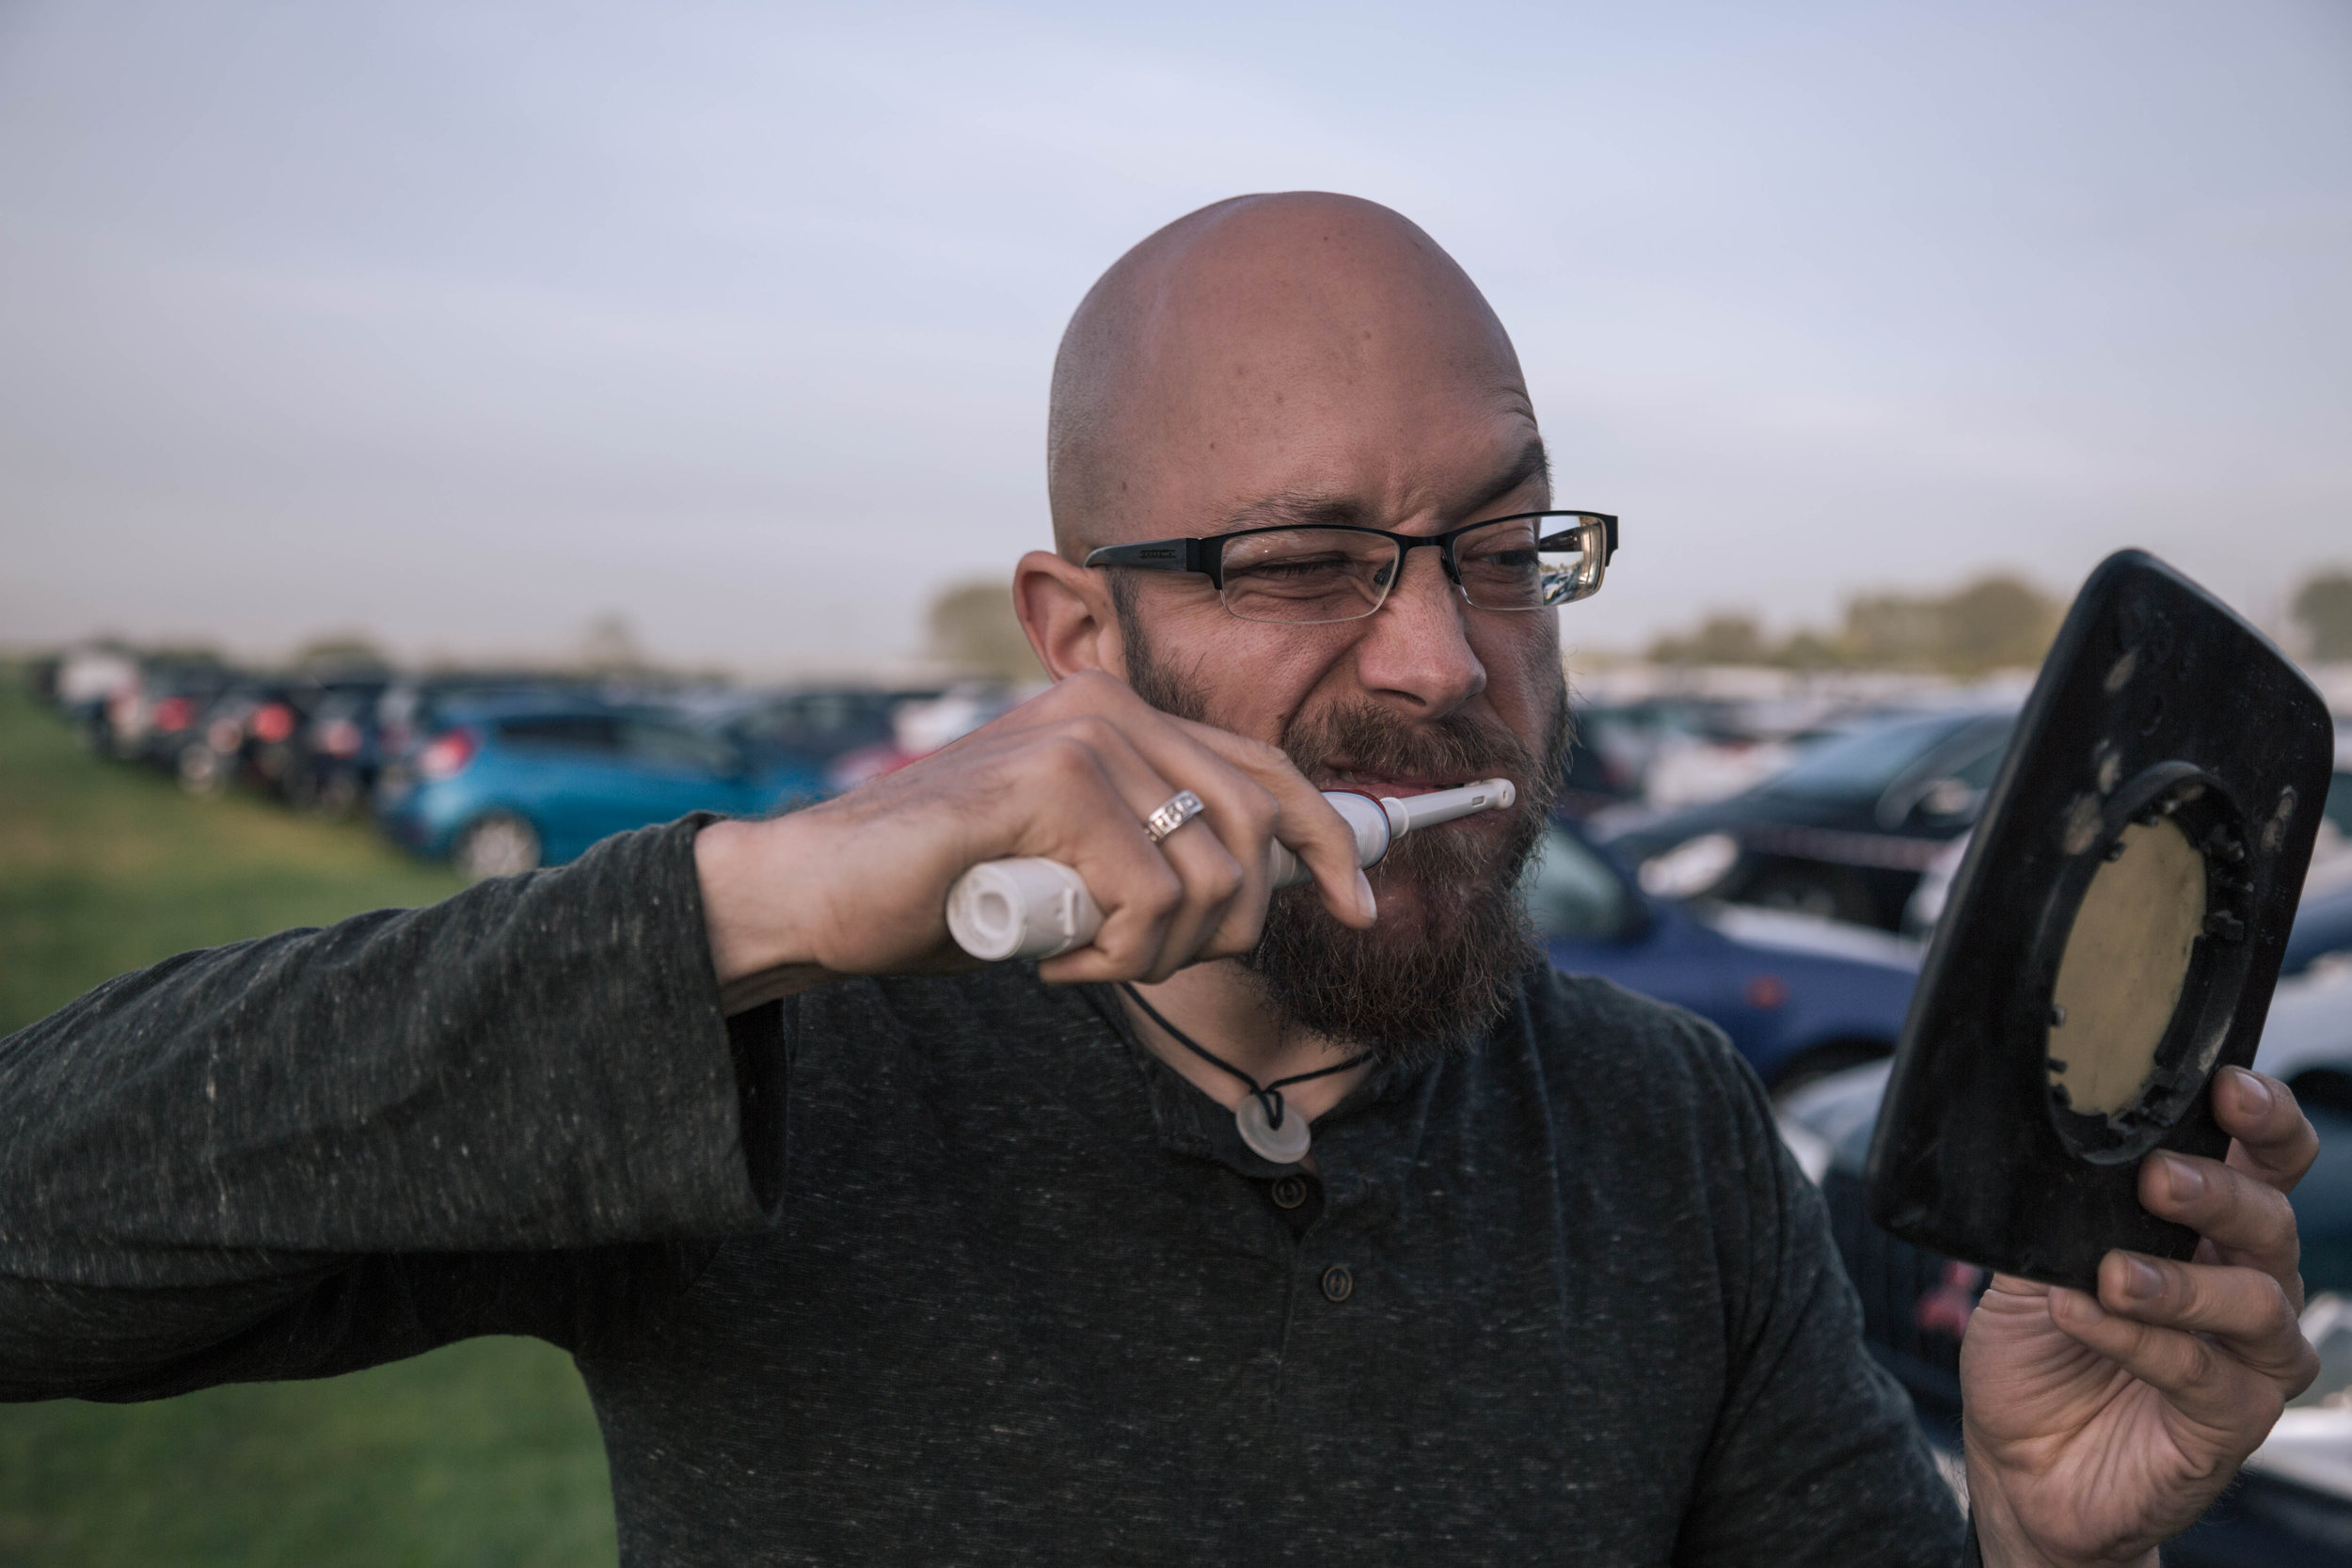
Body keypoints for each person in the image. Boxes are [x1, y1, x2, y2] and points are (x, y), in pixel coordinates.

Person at [0, 193, 2319, 1567]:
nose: (1446, 658)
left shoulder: (1665, 1129)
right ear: (1074, 638)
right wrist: (750, 904)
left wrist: (2039, 1542)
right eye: (1304, 560)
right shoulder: (784, 1064)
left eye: (1505, 545)